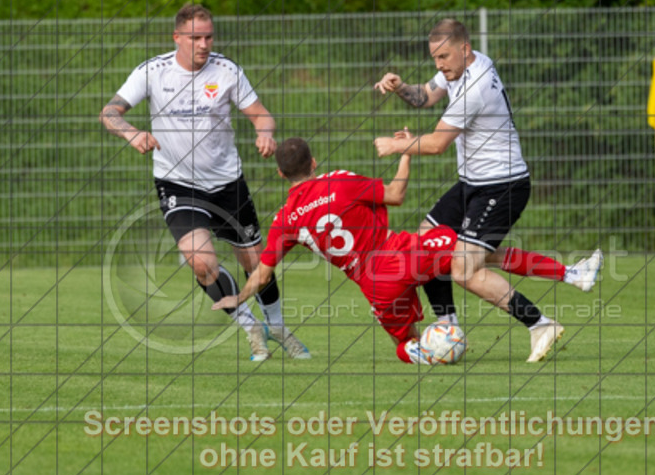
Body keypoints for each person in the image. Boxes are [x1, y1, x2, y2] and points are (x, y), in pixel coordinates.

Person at [212, 136, 591, 365]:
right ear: (314, 162)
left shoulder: (285, 219)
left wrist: (237, 298)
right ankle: (555, 299)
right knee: (474, 254)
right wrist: (406, 152)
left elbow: (262, 274)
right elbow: (395, 194)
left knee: (405, 344)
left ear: (281, 175)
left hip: (374, 286)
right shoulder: (340, 182)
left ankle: (438, 344)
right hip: (400, 254)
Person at [373, 18, 602, 362]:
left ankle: (540, 324)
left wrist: (395, 146)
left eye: (444, 57)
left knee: (463, 269)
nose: (439, 65)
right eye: (434, 58)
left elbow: (436, 144)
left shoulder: (474, 86)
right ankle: (448, 330)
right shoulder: (465, 64)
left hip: (503, 186)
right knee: (424, 250)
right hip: (472, 184)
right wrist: (401, 86)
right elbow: (424, 97)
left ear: (464, 50)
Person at [99, 3, 309, 362]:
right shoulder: (153, 72)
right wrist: (131, 133)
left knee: (256, 264)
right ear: (177, 37)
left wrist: (265, 134)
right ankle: (250, 327)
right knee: (200, 261)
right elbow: (109, 112)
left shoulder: (227, 71)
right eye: (195, 37)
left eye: (208, 36)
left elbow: (261, 115)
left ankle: (276, 326)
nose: (204, 44)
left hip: (227, 183)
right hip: (178, 183)